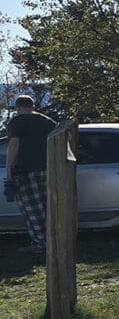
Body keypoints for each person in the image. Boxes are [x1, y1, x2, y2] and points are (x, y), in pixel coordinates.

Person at [3, 94, 54, 255]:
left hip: (26, 170)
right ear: (33, 106)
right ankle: (53, 239)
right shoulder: (47, 121)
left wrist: (8, 167)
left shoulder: (17, 122)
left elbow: (14, 144)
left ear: (17, 108)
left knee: (32, 208)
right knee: (48, 206)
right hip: (49, 168)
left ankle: (40, 243)